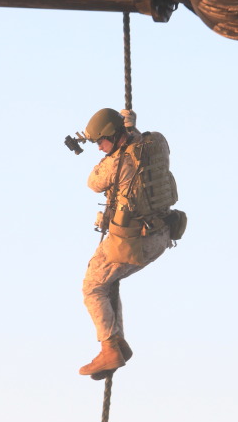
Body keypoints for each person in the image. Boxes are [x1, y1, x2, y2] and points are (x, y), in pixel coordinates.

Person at [79, 107, 185, 379]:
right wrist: (132, 129)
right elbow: (139, 150)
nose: (100, 147)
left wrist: (117, 146)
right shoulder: (157, 142)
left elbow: (93, 182)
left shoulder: (115, 164)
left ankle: (109, 347)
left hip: (136, 241)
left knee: (92, 286)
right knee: (108, 280)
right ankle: (118, 345)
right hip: (162, 234)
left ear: (115, 136)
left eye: (102, 141)